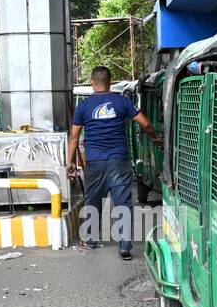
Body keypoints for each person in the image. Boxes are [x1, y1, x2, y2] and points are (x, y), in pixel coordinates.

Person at [65, 67, 160, 259]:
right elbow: (146, 123)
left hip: (95, 162)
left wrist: (70, 163)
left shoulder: (84, 106)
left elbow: (74, 137)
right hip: (118, 160)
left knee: (93, 200)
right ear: (110, 81)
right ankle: (124, 247)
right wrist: (155, 137)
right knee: (123, 202)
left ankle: (89, 240)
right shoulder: (122, 102)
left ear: (92, 82)